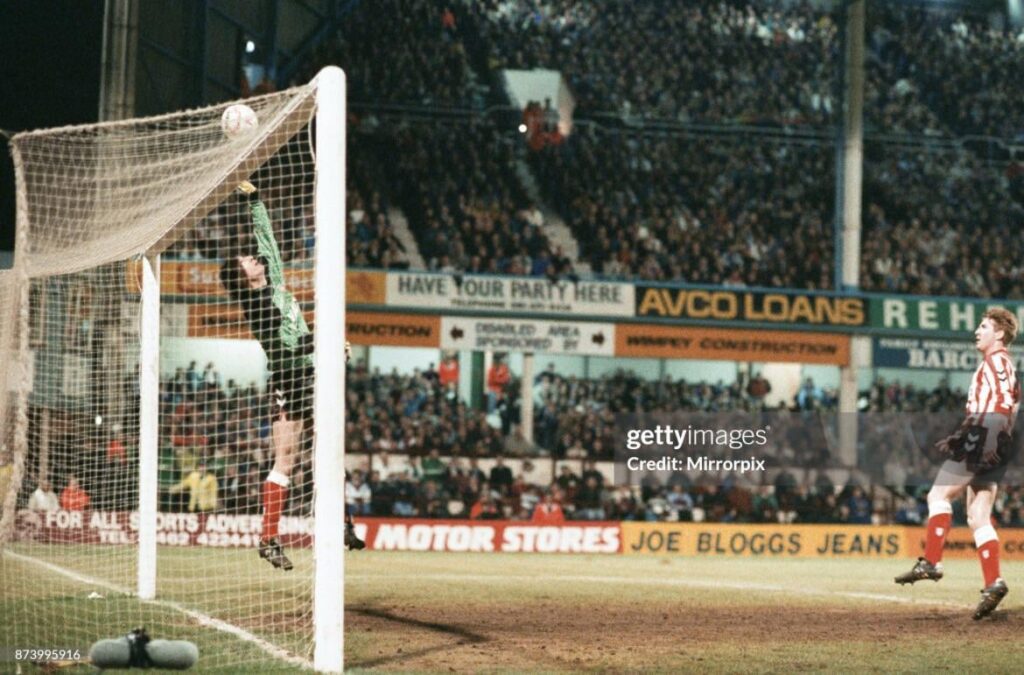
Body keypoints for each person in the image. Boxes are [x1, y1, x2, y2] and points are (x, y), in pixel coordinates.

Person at [220, 181, 362, 571]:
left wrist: (254, 201)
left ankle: (342, 525)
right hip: (290, 380)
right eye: (245, 260)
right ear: (242, 277)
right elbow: (290, 349)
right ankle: (268, 538)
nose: (252, 257)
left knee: (329, 454)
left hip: (311, 375)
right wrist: (327, 343)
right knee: (286, 460)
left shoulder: (276, 282)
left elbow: (266, 239)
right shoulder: (259, 305)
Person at [895, 309, 1020, 620]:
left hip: (986, 437)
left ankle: (933, 562)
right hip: (994, 439)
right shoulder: (1001, 364)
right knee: (978, 514)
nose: (977, 331)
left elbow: (1004, 404)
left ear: (1000, 334)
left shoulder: (996, 362)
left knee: (937, 496)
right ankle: (994, 582)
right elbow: (1004, 407)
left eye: (984, 326)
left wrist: (985, 440)